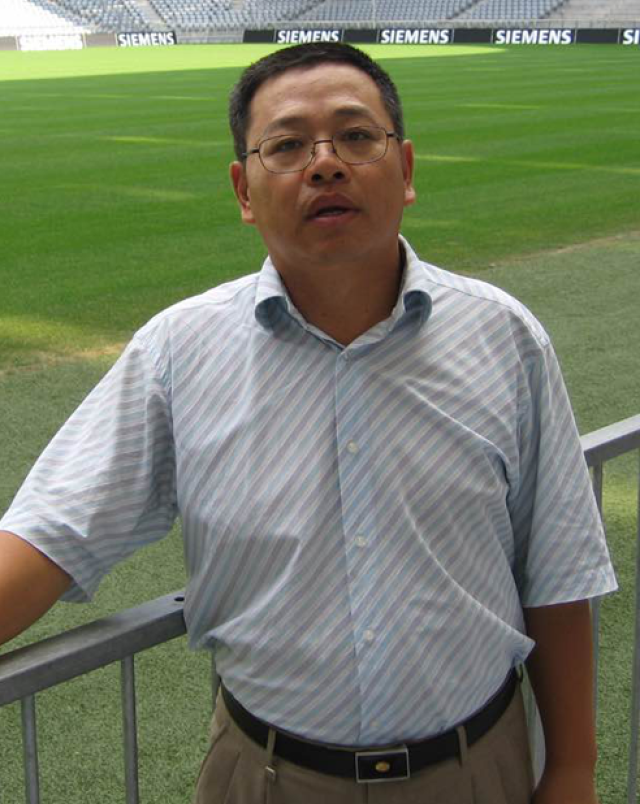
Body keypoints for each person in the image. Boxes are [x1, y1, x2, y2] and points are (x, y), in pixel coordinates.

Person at [0, 42, 617, 804]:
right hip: (264, 776)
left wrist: (572, 769)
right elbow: (49, 534)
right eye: (287, 146)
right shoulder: (178, 352)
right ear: (244, 190)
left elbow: (557, 568)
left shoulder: (504, 338)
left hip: (476, 769)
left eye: (356, 137)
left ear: (406, 170)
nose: (325, 164)